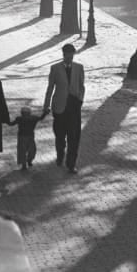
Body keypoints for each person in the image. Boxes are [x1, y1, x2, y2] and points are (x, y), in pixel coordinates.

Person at [43, 43, 85, 174]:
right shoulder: (55, 68)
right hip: (59, 107)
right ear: (63, 55)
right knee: (60, 135)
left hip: (74, 107)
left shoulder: (79, 67)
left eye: (72, 55)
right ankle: (60, 154)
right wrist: (46, 105)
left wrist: (80, 99)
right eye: (67, 55)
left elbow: (82, 86)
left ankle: (71, 164)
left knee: (74, 136)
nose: (70, 58)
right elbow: (50, 88)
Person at [8, 106, 48, 171]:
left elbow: (11, 123)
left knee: (24, 151)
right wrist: (45, 113)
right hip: (28, 136)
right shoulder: (33, 118)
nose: (25, 115)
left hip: (23, 137)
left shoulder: (20, 119)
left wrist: (5, 119)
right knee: (30, 150)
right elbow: (41, 118)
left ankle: (27, 162)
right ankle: (27, 162)